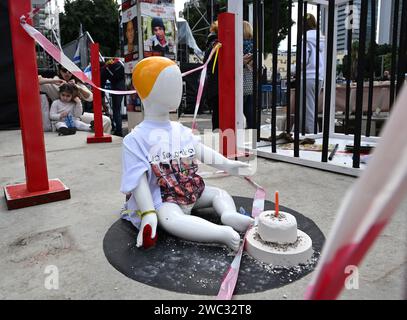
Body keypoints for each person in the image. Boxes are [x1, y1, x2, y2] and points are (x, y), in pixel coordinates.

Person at [120, 56, 254, 251]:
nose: (178, 88)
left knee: (220, 194)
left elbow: (200, 151)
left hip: (189, 188)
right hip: (163, 198)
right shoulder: (135, 139)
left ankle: (228, 215)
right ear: (147, 90)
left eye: (177, 82)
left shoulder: (178, 129)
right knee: (170, 219)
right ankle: (219, 233)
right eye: (169, 83)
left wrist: (227, 164)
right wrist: (148, 213)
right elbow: (137, 180)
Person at [39, 65, 112, 133]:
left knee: (105, 120)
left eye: (70, 71)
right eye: (64, 70)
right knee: (63, 124)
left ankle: (98, 140)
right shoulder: (54, 83)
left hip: (76, 115)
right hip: (60, 117)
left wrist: (78, 88)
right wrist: (53, 81)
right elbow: (35, 80)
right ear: (59, 71)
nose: (67, 73)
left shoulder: (76, 83)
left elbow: (90, 98)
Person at [291, 13, 325, 134]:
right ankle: (299, 133)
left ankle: (311, 135)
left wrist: (293, 69)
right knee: (310, 107)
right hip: (319, 77)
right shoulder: (321, 39)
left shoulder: (305, 38)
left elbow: (302, 60)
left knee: (306, 109)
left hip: (307, 77)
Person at [101, 58, 126, 136]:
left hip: (116, 88)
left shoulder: (103, 70)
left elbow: (101, 86)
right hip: (127, 83)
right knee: (128, 106)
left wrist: (102, 98)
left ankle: (118, 131)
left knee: (116, 109)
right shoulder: (116, 61)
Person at [203, 21, 219, 130]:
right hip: (219, 85)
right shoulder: (216, 44)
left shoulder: (210, 44)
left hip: (213, 85)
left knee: (216, 114)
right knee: (219, 114)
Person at [243, 20, 255, 129]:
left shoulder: (238, 45)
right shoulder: (254, 46)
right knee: (250, 109)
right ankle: (253, 130)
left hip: (241, 81)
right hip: (251, 81)